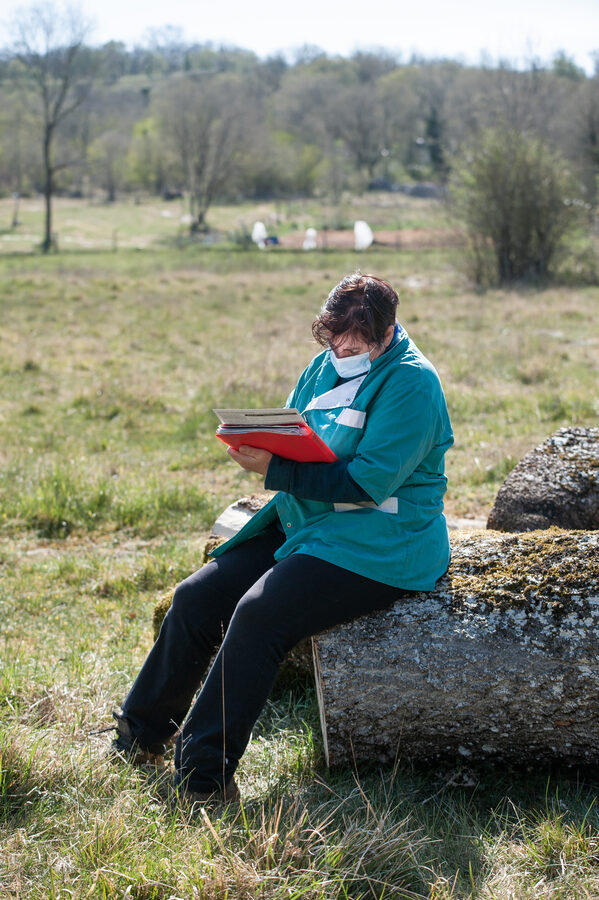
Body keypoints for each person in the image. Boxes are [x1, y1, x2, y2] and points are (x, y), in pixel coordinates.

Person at [112, 273, 454, 803]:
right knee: (195, 598)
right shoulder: (323, 365)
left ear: (388, 334)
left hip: (381, 542)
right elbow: (299, 435)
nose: (344, 351)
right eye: (335, 339)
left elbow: (366, 484)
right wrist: (263, 443)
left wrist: (273, 468)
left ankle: (203, 780)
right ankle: (138, 736)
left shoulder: (413, 383)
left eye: (359, 344)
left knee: (258, 615)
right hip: (306, 521)